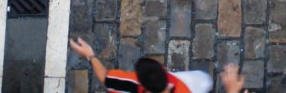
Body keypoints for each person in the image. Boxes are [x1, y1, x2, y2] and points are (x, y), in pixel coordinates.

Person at [69, 37, 247, 93]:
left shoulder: (131, 85)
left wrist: (91, 56)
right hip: (189, 85)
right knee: (204, 81)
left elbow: (106, 79)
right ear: (164, 69)